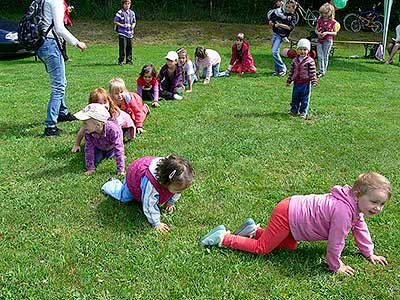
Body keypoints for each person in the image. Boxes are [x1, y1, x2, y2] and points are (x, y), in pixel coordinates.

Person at [199, 172, 392, 275]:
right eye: (374, 202)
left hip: (294, 214)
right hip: (288, 214)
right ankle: (223, 238)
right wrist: (336, 265)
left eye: (382, 204)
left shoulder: (354, 207)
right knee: (262, 248)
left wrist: (369, 253)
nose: (377, 208)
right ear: (358, 195)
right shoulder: (343, 212)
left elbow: (361, 228)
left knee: (290, 245)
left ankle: (255, 230)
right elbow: (336, 242)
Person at [101, 155, 195, 232]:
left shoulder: (174, 179)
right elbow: (148, 204)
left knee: (170, 191)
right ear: (167, 181)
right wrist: (156, 223)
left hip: (151, 173)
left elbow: (175, 191)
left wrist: (170, 202)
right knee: (124, 197)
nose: (179, 193)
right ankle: (111, 184)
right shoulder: (151, 184)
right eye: (178, 191)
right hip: (135, 175)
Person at [37, 0, 87, 137]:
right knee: (59, 86)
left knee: (60, 82)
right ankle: (50, 126)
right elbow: (59, 28)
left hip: (42, 44)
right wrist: (77, 42)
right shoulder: (56, 2)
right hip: (50, 44)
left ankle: (62, 113)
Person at [71, 88, 136, 153]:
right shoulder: (93, 114)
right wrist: (77, 144)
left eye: (105, 102)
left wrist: (119, 151)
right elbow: (84, 128)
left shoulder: (114, 115)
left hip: (124, 127)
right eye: (99, 103)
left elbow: (118, 133)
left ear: (109, 101)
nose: (103, 106)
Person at [74, 103, 125, 175]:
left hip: (111, 147)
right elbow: (88, 149)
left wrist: (121, 169)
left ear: (98, 125)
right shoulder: (88, 132)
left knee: (113, 154)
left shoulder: (113, 130)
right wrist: (90, 168)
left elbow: (119, 147)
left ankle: (113, 154)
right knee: (96, 158)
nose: (83, 127)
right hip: (98, 146)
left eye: (85, 124)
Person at [286, 39, 317, 119]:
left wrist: (314, 81)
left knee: (305, 98)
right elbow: (291, 71)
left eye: (305, 49)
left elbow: (312, 72)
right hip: (296, 82)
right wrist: (289, 80)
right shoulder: (295, 60)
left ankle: (303, 112)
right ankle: (294, 110)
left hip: (305, 83)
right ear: (297, 50)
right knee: (295, 97)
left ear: (308, 50)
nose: (302, 51)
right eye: (300, 49)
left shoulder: (310, 61)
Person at [268, 0, 297, 76]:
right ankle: (277, 70)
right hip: (275, 33)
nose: (287, 8)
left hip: (281, 36)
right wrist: (271, 22)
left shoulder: (293, 17)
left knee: (274, 52)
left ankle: (282, 68)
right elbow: (274, 18)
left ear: (293, 9)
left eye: (289, 7)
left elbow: (289, 27)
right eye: (286, 7)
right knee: (275, 52)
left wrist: (280, 25)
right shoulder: (283, 13)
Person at [315, 3, 337, 77]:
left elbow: (335, 32)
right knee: (319, 55)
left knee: (325, 55)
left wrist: (327, 33)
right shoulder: (320, 20)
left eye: (326, 13)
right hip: (320, 39)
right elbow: (316, 29)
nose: (324, 15)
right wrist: (318, 33)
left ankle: (322, 71)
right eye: (323, 13)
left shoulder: (333, 21)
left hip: (328, 40)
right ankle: (321, 70)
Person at [114, 0, 136, 65]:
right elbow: (115, 21)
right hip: (122, 33)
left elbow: (134, 21)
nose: (127, 5)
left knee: (129, 47)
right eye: (126, 4)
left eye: (128, 4)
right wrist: (122, 25)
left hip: (130, 33)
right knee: (122, 47)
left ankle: (129, 60)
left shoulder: (132, 13)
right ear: (123, 5)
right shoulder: (120, 12)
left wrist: (133, 26)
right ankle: (121, 61)